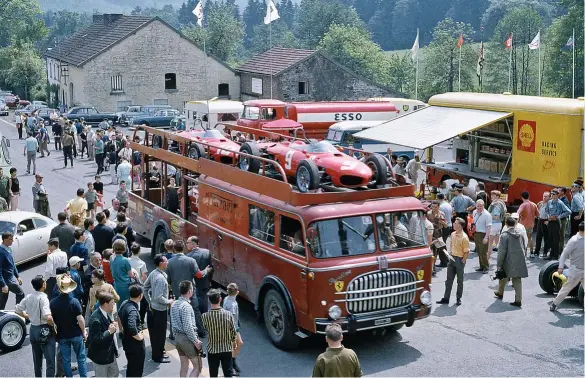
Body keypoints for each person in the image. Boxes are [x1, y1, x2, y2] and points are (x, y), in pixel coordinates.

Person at [15, 275, 56, 378]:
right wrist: (54, 326)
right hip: (44, 329)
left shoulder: (28, 297)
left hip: (33, 329)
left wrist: (27, 316)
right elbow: (48, 317)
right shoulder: (43, 298)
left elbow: (18, 310)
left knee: (37, 361)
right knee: (50, 361)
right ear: (43, 285)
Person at [50, 273, 88, 377]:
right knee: (81, 358)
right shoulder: (74, 301)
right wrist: (84, 331)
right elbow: (80, 319)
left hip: (62, 335)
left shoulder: (53, 303)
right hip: (76, 333)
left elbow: (52, 320)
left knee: (66, 361)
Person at [167, 240, 207, 336]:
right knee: (195, 310)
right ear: (183, 248)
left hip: (177, 291)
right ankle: (201, 332)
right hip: (190, 291)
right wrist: (205, 270)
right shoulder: (191, 261)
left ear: (174, 249)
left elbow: (167, 279)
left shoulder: (169, 262)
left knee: (174, 311)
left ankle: (173, 334)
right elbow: (199, 275)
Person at [144, 254, 173, 363]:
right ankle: (157, 356)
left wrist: (150, 302)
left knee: (154, 333)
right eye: (166, 261)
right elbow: (158, 297)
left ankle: (158, 351)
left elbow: (145, 289)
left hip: (153, 308)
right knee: (160, 334)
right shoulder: (160, 278)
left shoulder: (154, 273)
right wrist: (169, 301)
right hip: (160, 310)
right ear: (161, 263)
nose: (168, 262)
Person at [494, 217, 529, 307]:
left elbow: (501, 252)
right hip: (519, 259)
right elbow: (524, 246)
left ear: (506, 224)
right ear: (515, 224)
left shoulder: (504, 235)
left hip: (508, 260)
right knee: (517, 279)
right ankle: (518, 300)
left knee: (502, 276)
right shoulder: (520, 234)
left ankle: (500, 293)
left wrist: (499, 264)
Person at [171, 280, 203, 378]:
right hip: (187, 340)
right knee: (197, 367)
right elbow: (188, 327)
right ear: (189, 291)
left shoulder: (174, 304)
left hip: (177, 338)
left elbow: (172, 323)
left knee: (184, 365)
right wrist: (196, 341)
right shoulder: (187, 307)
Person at [201, 289, 237, 378]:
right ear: (220, 299)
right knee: (228, 374)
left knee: (213, 374)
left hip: (212, 349)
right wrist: (234, 342)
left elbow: (205, 329)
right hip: (226, 348)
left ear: (209, 301)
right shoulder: (228, 314)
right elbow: (233, 331)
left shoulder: (205, 316)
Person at [550, 222, 584, 311]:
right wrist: (560, 267)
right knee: (567, 288)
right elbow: (564, 254)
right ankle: (555, 303)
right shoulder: (574, 241)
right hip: (575, 270)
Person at [436, 218, 469, 306]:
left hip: (459, 259)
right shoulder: (453, 234)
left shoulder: (464, 238)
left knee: (459, 280)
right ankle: (446, 298)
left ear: (460, 226)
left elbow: (466, 251)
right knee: (448, 280)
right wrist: (450, 253)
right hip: (452, 258)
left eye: (455, 223)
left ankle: (458, 298)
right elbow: (451, 244)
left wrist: (463, 260)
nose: (453, 224)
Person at [87, 292, 119, 377]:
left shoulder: (105, 312)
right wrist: (109, 331)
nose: (114, 304)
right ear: (105, 304)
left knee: (115, 374)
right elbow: (96, 339)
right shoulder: (95, 319)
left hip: (109, 354)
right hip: (100, 357)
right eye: (112, 302)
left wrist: (112, 325)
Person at [118, 284, 146, 377]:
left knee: (131, 367)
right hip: (135, 345)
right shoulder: (133, 309)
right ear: (140, 295)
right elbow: (131, 326)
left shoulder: (125, 303)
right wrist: (139, 337)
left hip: (126, 342)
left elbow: (118, 316)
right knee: (137, 370)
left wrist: (122, 330)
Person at [187, 236, 213, 316]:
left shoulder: (188, 256)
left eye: (187, 242)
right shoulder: (207, 252)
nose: (186, 244)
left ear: (193, 244)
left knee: (195, 308)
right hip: (205, 284)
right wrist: (208, 281)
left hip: (195, 286)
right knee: (204, 307)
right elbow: (211, 268)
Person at [223, 283, 243, 376]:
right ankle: (231, 367)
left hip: (233, 327)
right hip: (232, 329)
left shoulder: (227, 299)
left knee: (239, 344)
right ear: (237, 292)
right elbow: (231, 319)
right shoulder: (233, 305)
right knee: (232, 347)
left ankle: (233, 361)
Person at [0, 232, 24, 310]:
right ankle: (18, 312)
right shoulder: (1, 252)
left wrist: (17, 276)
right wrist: (3, 284)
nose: (12, 241)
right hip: (6, 280)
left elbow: (12, 264)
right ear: (5, 240)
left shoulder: (9, 249)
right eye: (10, 239)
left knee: (3, 299)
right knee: (20, 293)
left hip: (10, 279)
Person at [545, 189, 571, 260]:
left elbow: (568, 211)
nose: (552, 195)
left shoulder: (560, 203)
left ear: (557, 195)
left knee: (556, 239)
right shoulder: (549, 202)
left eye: (553, 194)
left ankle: (555, 255)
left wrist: (559, 217)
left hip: (556, 222)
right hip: (550, 222)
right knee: (550, 238)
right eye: (551, 194)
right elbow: (546, 210)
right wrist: (548, 216)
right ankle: (551, 254)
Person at [129, 242, 148, 325]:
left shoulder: (127, 261)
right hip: (138, 286)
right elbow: (144, 277)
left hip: (128, 284)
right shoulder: (142, 263)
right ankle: (141, 321)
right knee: (143, 304)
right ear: (139, 251)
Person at [472, 199, 492, 273]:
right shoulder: (474, 212)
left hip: (483, 234)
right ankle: (481, 266)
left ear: (484, 206)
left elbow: (489, 227)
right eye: (478, 206)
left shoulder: (487, 214)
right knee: (479, 251)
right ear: (476, 206)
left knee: (483, 252)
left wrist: (486, 237)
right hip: (476, 233)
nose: (479, 207)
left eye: (481, 206)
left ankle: (486, 267)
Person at [110, 239, 132, 304]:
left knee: (118, 304)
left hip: (116, 285)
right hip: (125, 286)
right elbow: (130, 275)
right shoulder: (125, 260)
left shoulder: (111, 258)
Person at [517, 191, 538, 257]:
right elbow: (538, 214)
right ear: (529, 196)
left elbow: (517, 214)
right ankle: (531, 253)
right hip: (531, 224)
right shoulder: (534, 204)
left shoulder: (523, 205)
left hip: (522, 225)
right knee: (529, 238)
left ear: (522, 197)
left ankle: (523, 253)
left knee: (521, 238)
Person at [535, 192, 551, 258]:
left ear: (549, 197)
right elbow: (536, 210)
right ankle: (536, 251)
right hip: (540, 220)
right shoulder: (540, 203)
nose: (544, 197)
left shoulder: (550, 204)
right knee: (538, 236)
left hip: (546, 221)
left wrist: (548, 220)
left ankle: (545, 252)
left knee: (546, 238)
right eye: (543, 196)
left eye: (546, 196)